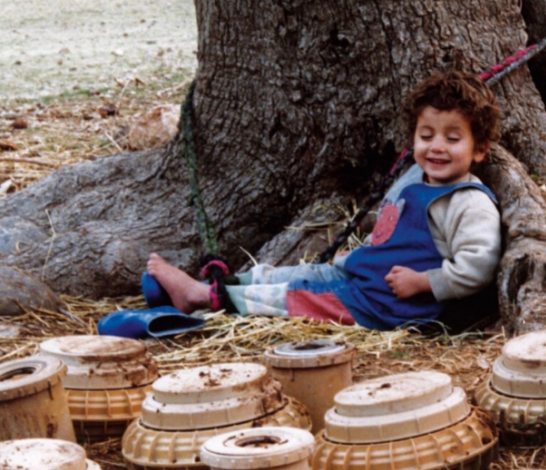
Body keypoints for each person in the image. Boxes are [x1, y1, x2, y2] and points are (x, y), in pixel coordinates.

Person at [147, 71, 503, 330]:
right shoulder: (413, 177)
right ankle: (227, 283)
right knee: (296, 273)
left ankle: (202, 298)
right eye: (426, 135)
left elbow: (477, 267)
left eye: (452, 139)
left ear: (480, 149)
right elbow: (392, 233)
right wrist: (365, 254)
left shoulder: (467, 203)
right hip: (361, 276)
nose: (437, 146)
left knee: (298, 298)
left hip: (383, 304)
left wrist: (424, 282)